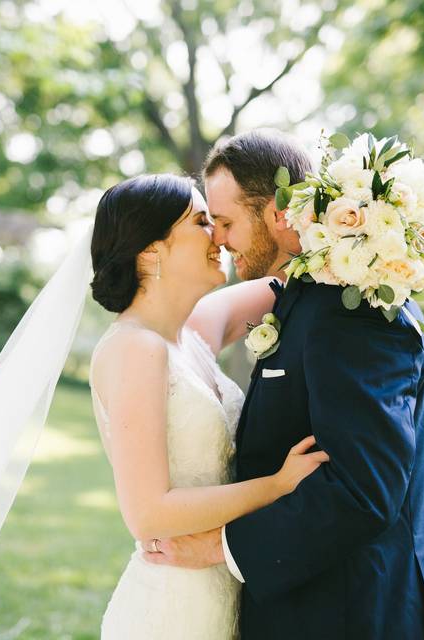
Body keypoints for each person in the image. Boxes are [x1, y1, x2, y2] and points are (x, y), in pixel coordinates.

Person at [141, 130, 424, 640]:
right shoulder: (305, 295)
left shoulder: (352, 308)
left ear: (276, 211)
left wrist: (220, 547)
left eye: (225, 222)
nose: (217, 239)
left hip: (358, 615)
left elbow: (364, 491)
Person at [88, 174, 329, 638]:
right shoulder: (134, 350)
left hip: (223, 595)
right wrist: (277, 486)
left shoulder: (194, 333)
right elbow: (148, 513)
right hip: (170, 611)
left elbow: (290, 274)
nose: (219, 235)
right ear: (150, 250)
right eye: (202, 222)